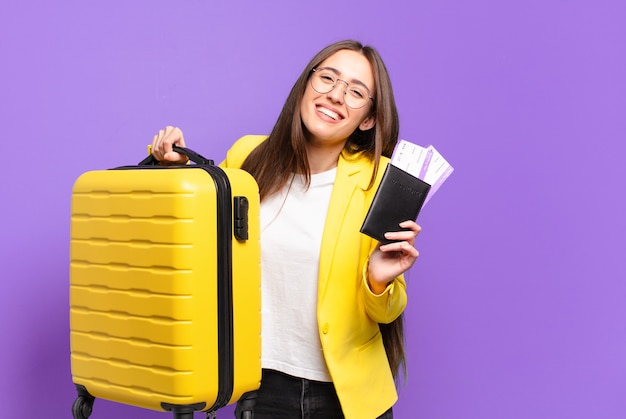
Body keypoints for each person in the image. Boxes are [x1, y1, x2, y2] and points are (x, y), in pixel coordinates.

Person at [150, 40, 422, 419]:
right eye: (327, 78)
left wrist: (379, 282)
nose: (336, 95)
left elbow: (388, 311)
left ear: (368, 119)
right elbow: (199, 243)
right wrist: (173, 170)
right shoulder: (248, 157)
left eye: (356, 92)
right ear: (306, 86)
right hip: (260, 386)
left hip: (347, 397)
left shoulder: (382, 181)